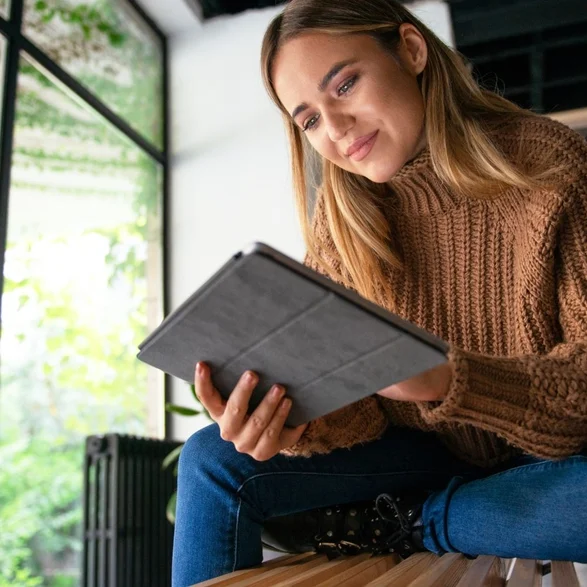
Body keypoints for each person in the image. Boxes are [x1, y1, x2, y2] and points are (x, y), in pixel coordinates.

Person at [171, 0, 587, 584]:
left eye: (344, 84)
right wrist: (297, 424)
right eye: (309, 119)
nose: (336, 129)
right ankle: (452, 510)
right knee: (210, 459)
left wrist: (445, 378)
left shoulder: (548, 169)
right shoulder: (341, 222)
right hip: (420, 451)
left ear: (412, 50)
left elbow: (580, 402)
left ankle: (422, 520)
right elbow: (364, 408)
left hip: (548, 453)